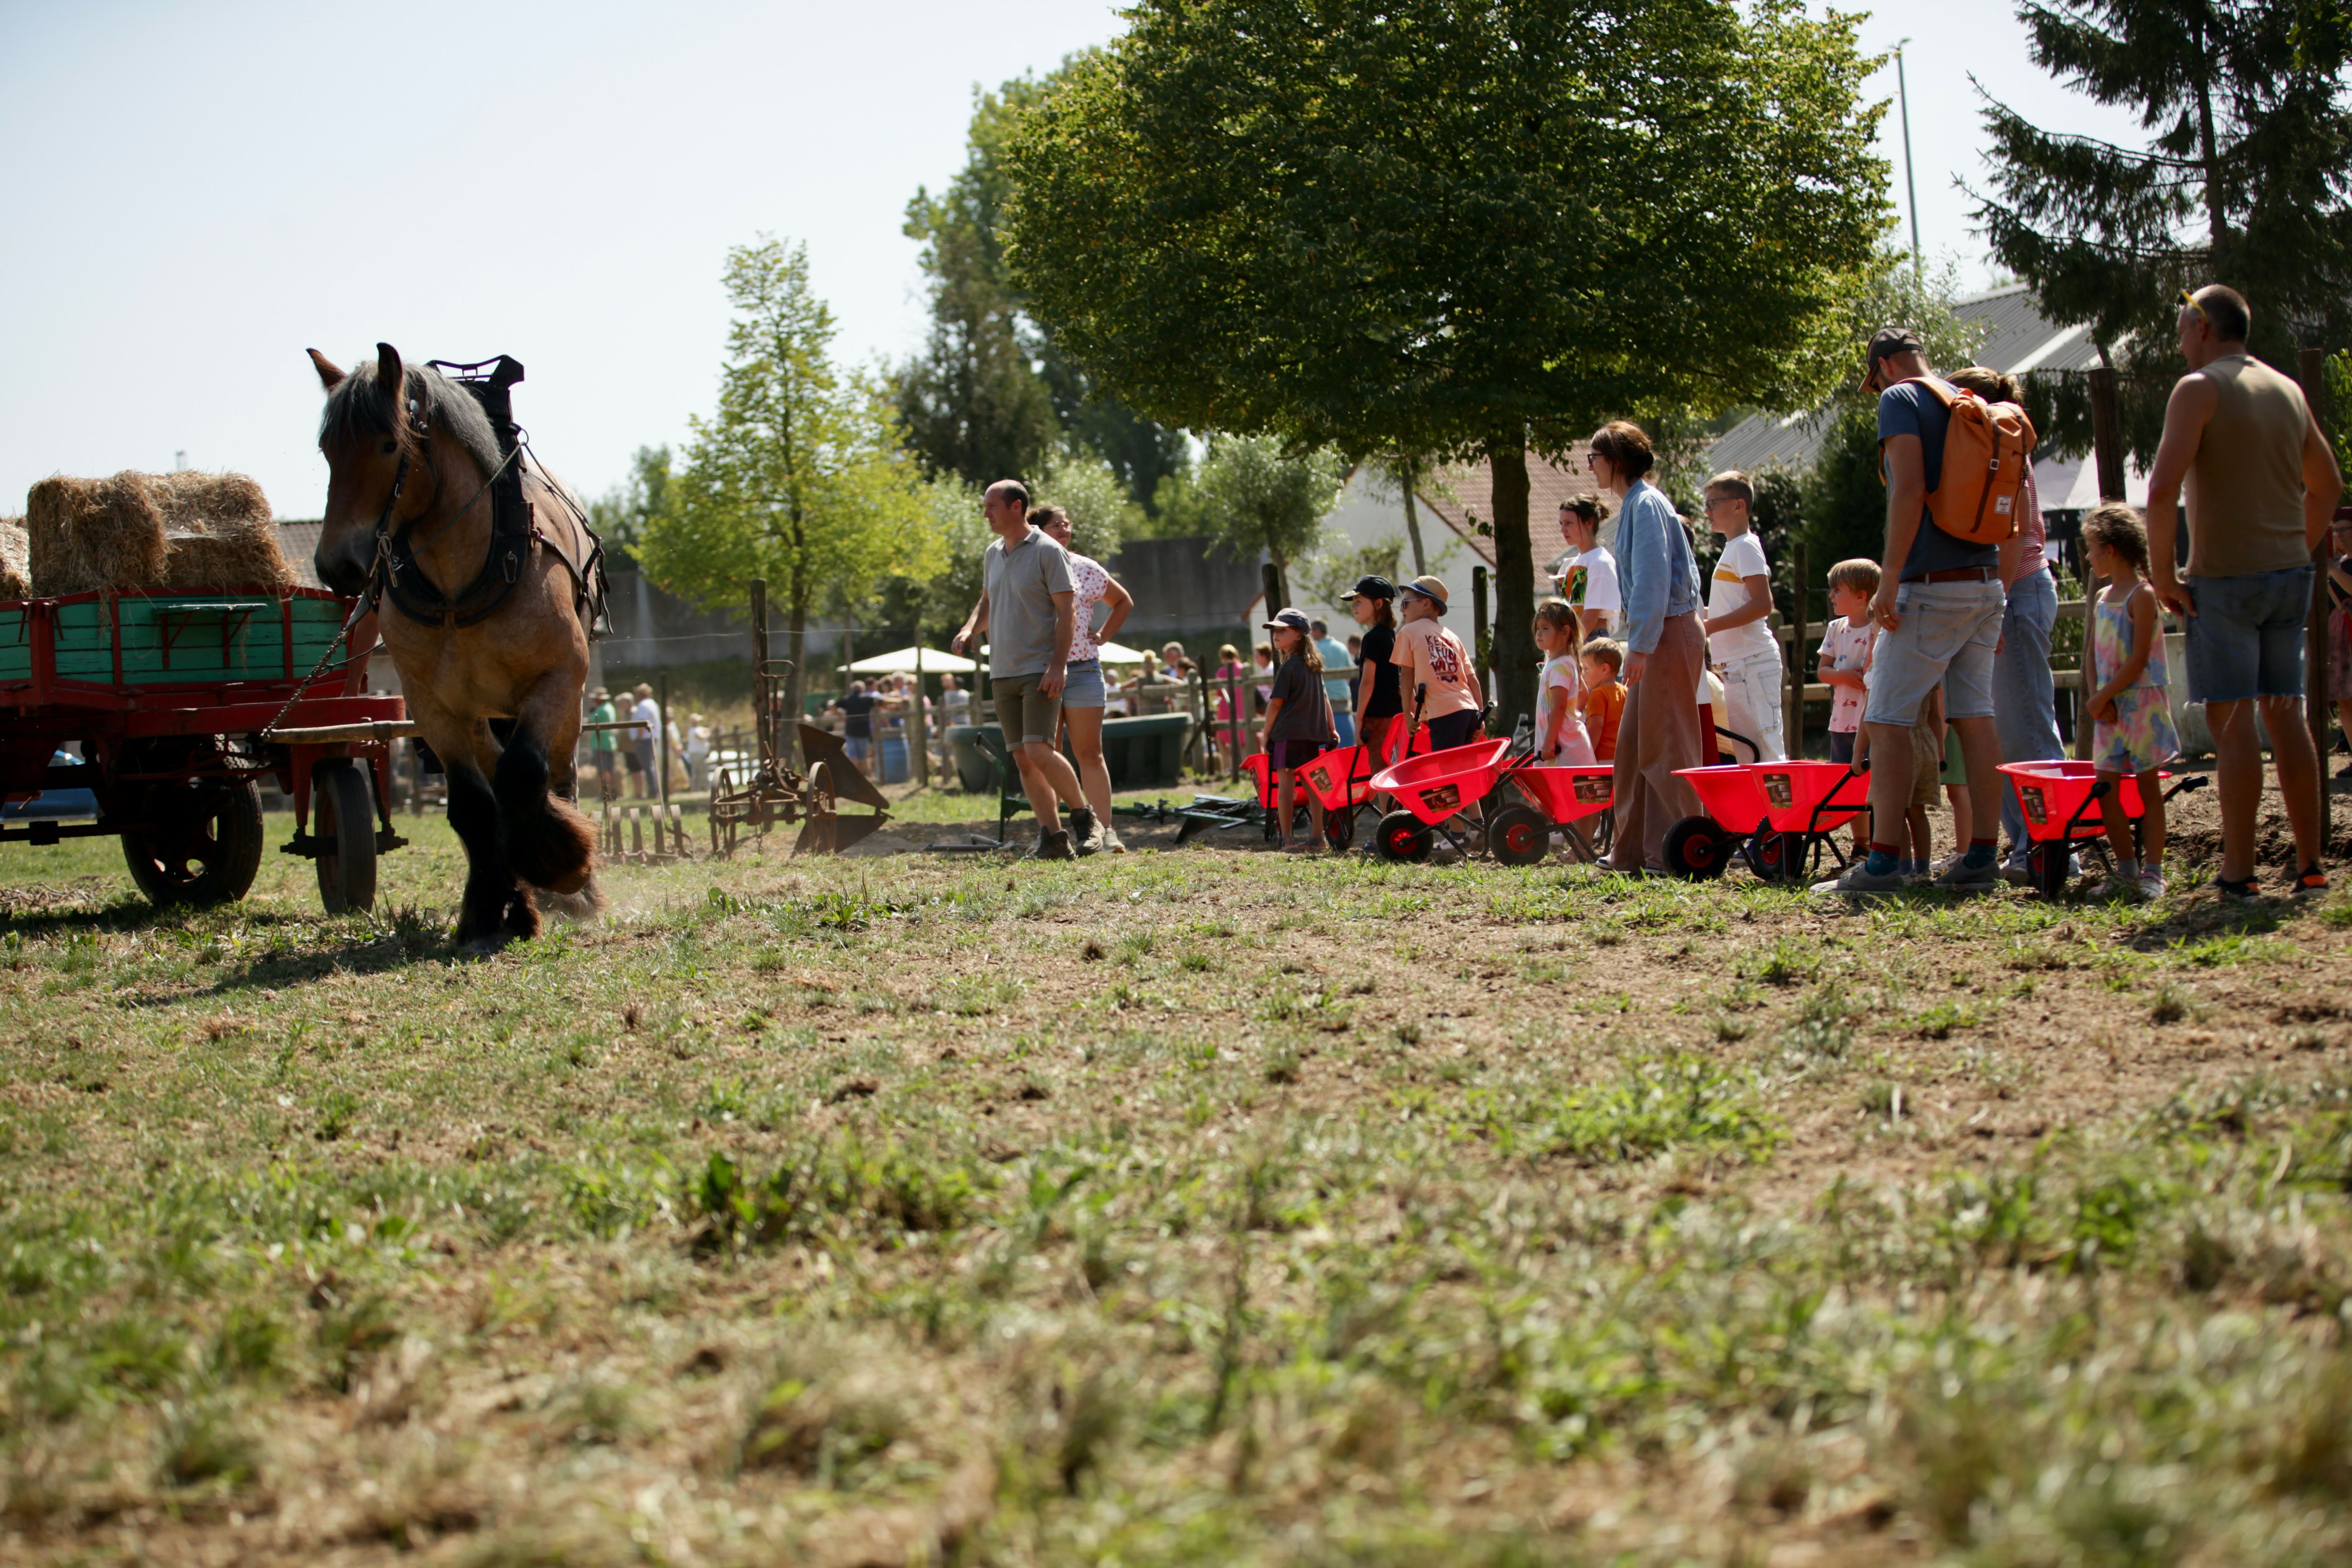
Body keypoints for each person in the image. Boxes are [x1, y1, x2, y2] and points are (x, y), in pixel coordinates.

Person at [2148, 284, 2345, 897]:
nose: (2180, 344)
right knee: (2287, 716)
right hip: (2289, 578)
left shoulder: (2198, 389)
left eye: (2182, 331)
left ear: (2203, 327)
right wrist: (2294, 547)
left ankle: (2239, 873)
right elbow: (2329, 485)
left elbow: (2162, 489)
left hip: (2224, 582)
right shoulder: (2286, 389)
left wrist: (2163, 577)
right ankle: (2310, 866)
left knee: (2232, 723)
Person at [1816, 328, 2008, 895]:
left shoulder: (1901, 398)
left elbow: (1908, 488)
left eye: (1875, 381)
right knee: (1975, 716)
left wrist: (1892, 576)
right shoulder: (1967, 401)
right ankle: (1982, 856)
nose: (1878, 390)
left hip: (1929, 586)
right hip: (1985, 582)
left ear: (1884, 366)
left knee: (1886, 719)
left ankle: (1884, 865)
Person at [1942, 367, 2064, 881]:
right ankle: (2028, 846)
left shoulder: (2004, 450)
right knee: (2005, 733)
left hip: (2015, 593)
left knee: (2027, 729)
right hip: (2007, 596)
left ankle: (2055, 848)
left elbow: (2016, 534)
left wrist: (1997, 602)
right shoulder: (1995, 450)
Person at [1588, 421, 1705, 874]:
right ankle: (1634, 851)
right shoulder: (1635, 505)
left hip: (1666, 634)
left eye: (1595, 458)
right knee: (1635, 747)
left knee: (1667, 744)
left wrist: (1639, 646)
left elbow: (1654, 580)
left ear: (1616, 460)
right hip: (1654, 636)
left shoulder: (1648, 504)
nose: (1591, 467)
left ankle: (1683, 851)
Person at [951, 478, 1088, 860]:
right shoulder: (993, 553)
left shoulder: (1048, 550)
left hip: (1039, 668)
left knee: (1038, 751)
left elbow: (1067, 611)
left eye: (992, 506)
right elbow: (987, 601)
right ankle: (1054, 838)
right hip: (1002, 670)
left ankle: (1083, 814)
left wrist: (1058, 665)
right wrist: (969, 629)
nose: (986, 514)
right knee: (1024, 760)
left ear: (1016, 507)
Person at [2079, 503, 2180, 899]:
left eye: (2091, 549)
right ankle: (2126, 871)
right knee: (2107, 792)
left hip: (2141, 707)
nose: (2089, 557)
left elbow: (2139, 659)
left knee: (2148, 790)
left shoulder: (2143, 595)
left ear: (2111, 550)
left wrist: (2102, 697)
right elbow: (2091, 654)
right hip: (2108, 711)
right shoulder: (2103, 596)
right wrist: (2097, 699)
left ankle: (2154, 873)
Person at [1035, 503, 1135, 855]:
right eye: (1055, 525)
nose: (1064, 530)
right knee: (1049, 754)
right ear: (1038, 531)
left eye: (1067, 524)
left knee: (1090, 752)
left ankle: (1106, 833)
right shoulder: (1028, 566)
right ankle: (1054, 834)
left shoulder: (1086, 567)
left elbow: (1123, 602)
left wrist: (1103, 635)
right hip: (1040, 670)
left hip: (1083, 670)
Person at [1392, 574, 1487, 840]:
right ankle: (1477, 826)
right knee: (1462, 771)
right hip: (1467, 709)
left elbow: (1406, 677)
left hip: (1445, 714)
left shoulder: (1408, 632)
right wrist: (1480, 717)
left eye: (1406, 603)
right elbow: (1473, 680)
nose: (1402, 609)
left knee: (1445, 777)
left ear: (1426, 604)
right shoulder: (1451, 636)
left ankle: (1456, 835)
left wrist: (1409, 715)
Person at [1698, 470, 1785, 761]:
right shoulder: (1735, 548)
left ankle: (1780, 796)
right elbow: (1734, 606)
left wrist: (1709, 627)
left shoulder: (1745, 546)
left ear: (1738, 505)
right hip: (1739, 666)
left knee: (1767, 751)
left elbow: (1763, 604)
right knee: (1749, 754)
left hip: (1753, 662)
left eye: (1713, 503)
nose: (1707, 511)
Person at [1261, 608, 1339, 850]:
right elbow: (1325, 699)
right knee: (1312, 785)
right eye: (1275, 630)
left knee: (1285, 786)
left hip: (1287, 735)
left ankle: (1287, 838)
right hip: (1311, 736)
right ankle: (1319, 837)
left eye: (1282, 630)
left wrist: (1266, 734)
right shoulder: (1314, 666)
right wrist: (1332, 729)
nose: (1276, 634)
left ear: (1298, 635)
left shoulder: (1288, 668)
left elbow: (1276, 704)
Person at [1818, 560, 1880, 853]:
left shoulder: (1878, 630)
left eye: (1837, 590)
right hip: (1842, 722)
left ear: (1861, 596)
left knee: (1874, 784)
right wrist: (1843, 676)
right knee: (1851, 784)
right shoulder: (1835, 629)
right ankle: (1861, 844)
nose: (1832, 596)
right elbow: (1823, 671)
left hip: (1872, 722)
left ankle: (1879, 844)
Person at [1343, 576, 1405, 765]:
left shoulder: (1371, 639)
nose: (1354, 607)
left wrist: (1359, 720)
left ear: (1378, 604)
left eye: (1359, 602)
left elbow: (1368, 683)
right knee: (1395, 770)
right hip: (1397, 718)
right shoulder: (1393, 636)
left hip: (1378, 720)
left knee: (1381, 775)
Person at [1533, 600, 1596, 765]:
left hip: (1565, 749)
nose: (1539, 633)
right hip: (1564, 743)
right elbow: (1583, 694)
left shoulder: (1559, 666)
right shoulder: (1562, 662)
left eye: (1545, 628)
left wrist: (1549, 741)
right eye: (1538, 628)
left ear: (1565, 632)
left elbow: (1560, 706)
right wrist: (1571, 717)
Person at [1556, 496, 1621, 639]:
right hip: (1576, 638)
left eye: (1569, 523)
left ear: (1589, 522)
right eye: (1561, 524)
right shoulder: (1573, 564)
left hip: (1592, 639)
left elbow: (1590, 619)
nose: (1563, 530)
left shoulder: (1600, 562)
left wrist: (1569, 647)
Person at [2330, 506, 2352, 778]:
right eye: (2336, 531)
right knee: (2345, 700)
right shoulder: (2336, 562)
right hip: (2339, 638)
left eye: (2345, 529)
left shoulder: (2335, 567)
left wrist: (2332, 570)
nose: (2339, 535)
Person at [1579, 640, 1627, 763]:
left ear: (1605, 669)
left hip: (1602, 758)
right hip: (1622, 756)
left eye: (1586, 669)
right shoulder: (1624, 691)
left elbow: (1597, 726)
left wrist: (1586, 755)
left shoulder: (1597, 695)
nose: (1583, 675)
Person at [1311, 618, 1357, 746]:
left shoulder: (1316, 650)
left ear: (1318, 630)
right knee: (1347, 744)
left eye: (1312, 631)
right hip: (1343, 697)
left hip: (1324, 700)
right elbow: (1350, 671)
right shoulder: (1341, 647)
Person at [830, 680, 883, 770]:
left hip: (851, 730)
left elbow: (833, 707)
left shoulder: (847, 699)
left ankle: (853, 774)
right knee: (862, 756)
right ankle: (861, 774)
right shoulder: (868, 699)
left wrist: (841, 717)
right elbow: (881, 704)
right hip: (864, 731)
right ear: (863, 689)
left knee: (852, 755)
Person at [587, 687, 621, 800]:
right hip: (609, 742)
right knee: (611, 770)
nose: (593, 701)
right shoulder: (610, 708)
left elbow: (590, 722)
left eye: (595, 699)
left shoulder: (601, 710)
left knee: (602, 771)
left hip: (600, 743)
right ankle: (614, 793)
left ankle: (604, 794)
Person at [631, 684, 661, 797]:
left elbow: (642, 723)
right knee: (650, 765)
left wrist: (639, 738)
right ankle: (654, 790)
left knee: (648, 766)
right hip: (650, 737)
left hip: (644, 739)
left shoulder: (643, 705)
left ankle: (653, 791)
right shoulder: (652, 703)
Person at [685, 712, 712, 792]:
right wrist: (708, 734)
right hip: (698, 754)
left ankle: (697, 788)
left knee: (697, 772)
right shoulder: (695, 731)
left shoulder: (695, 730)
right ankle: (704, 787)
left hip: (697, 754)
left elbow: (706, 730)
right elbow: (701, 737)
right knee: (701, 771)